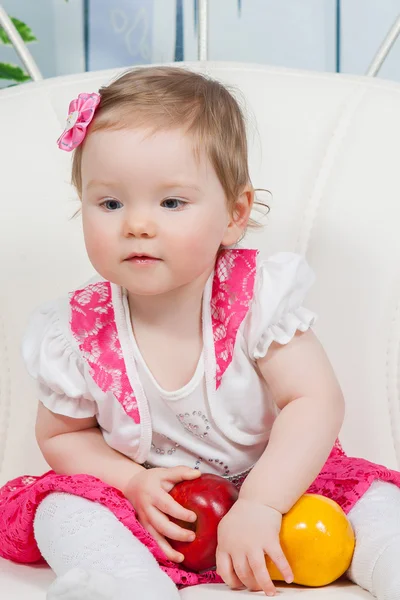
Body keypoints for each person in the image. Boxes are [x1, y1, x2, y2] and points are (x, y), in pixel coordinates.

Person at [1, 66, 400, 600]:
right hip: (162, 515)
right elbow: (63, 435)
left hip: (282, 488)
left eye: (171, 202)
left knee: (371, 502)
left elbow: (315, 400)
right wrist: (132, 483)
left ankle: (389, 557)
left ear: (234, 215)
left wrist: (262, 502)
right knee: (62, 508)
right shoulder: (78, 330)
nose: (137, 224)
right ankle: (121, 583)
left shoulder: (253, 298)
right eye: (110, 203)